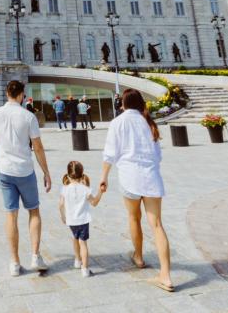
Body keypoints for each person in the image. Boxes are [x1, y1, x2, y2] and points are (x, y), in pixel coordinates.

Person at [99, 89, 173, 292]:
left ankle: (138, 257)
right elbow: (158, 156)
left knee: (134, 218)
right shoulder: (149, 123)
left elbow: (110, 153)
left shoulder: (118, 122)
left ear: (123, 104)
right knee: (157, 225)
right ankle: (165, 275)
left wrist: (104, 177)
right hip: (151, 178)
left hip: (129, 177)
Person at [0, 80, 53, 276]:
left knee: (11, 214)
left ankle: (14, 262)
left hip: (5, 170)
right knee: (33, 211)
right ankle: (35, 255)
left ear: (7, 93)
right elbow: (38, 147)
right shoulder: (28, 116)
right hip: (25, 170)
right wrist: (46, 172)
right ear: (22, 95)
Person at [58, 160, 103, 277]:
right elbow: (94, 203)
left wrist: (63, 216)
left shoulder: (65, 189)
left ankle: (77, 260)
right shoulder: (85, 189)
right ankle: (85, 269)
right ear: (82, 175)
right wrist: (100, 192)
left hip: (71, 221)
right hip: (83, 220)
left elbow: (61, 204)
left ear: (68, 175)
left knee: (75, 238)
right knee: (83, 243)